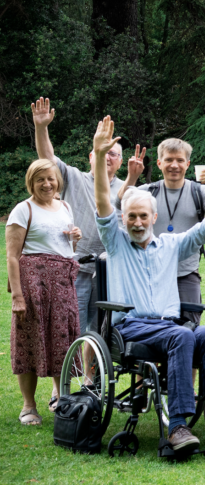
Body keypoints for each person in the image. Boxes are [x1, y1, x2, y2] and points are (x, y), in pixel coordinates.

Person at [91, 117, 205, 451]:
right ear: (124, 219)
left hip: (167, 326)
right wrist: (98, 151)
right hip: (131, 326)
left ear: (153, 219)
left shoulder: (169, 245)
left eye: (143, 217)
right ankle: (177, 426)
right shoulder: (116, 242)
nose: (137, 222)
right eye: (131, 216)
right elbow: (103, 203)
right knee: (181, 332)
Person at [31, 97, 125, 337]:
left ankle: (90, 376)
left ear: (121, 162)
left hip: (108, 271)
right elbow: (47, 159)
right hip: (76, 267)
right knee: (72, 326)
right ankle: (66, 375)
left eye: (114, 153)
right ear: (91, 156)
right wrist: (42, 128)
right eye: (103, 151)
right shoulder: (73, 177)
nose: (108, 156)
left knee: (99, 332)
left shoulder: (127, 190)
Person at [6, 158, 82, 426]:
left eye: (51, 178)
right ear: (31, 183)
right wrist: (17, 296)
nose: (47, 184)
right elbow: (12, 257)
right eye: (40, 180)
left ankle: (62, 398)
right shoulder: (23, 210)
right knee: (29, 341)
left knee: (62, 340)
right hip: (33, 285)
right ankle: (28, 406)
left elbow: (64, 245)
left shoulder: (65, 206)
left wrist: (74, 236)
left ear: (58, 181)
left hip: (63, 283)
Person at [116, 137, 205, 326]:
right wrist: (132, 177)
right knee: (153, 327)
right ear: (160, 163)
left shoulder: (199, 191)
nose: (174, 165)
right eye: (169, 160)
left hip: (186, 273)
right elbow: (119, 205)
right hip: (151, 273)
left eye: (179, 160)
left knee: (190, 327)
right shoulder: (148, 192)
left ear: (188, 164)